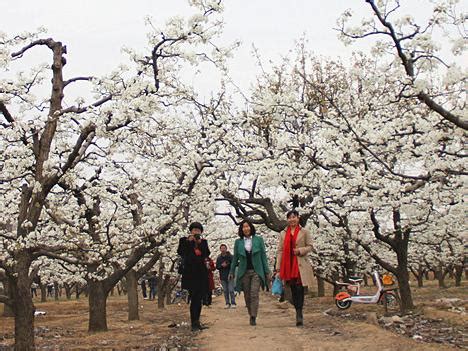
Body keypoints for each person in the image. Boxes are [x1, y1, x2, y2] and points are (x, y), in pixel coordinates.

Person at [275, 210, 315, 327]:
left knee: (299, 289)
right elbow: (280, 250)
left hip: (299, 263)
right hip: (287, 264)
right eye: (290, 218)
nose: (292, 219)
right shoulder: (283, 233)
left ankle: (299, 313)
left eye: (294, 217)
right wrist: (278, 267)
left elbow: (310, 246)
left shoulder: (304, 231)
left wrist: (300, 250)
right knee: (291, 289)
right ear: (287, 220)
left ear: (298, 218)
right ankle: (297, 306)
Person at [229, 220, 270, 326]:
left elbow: (263, 257)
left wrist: (267, 271)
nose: (246, 229)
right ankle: (250, 313)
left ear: (251, 228)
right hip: (244, 272)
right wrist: (232, 271)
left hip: (256, 271)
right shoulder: (238, 242)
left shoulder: (258, 240)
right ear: (241, 229)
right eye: (243, 227)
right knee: (247, 295)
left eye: (247, 226)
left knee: (254, 294)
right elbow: (235, 259)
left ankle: (253, 316)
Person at [177, 222, 210, 331]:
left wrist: (200, 243)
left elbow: (206, 254)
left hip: (201, 273)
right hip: (190, 274)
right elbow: (180, 252)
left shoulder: (204, 242)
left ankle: (197, 322)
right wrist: (189, 242)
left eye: (198, 230)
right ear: (191, 231)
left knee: (199, 298)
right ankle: (193, 323)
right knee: (193, 297)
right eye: (194, 229)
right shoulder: (184, 240)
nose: (196, 232)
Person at [216, 244, 236, 308]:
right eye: (222, 248)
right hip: (222, 276)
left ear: (226, 249)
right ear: (220, 249)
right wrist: (222, 265)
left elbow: (234, 264)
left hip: (230, 275)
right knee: (225, 290)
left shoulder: (230, 256)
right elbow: (217, 267)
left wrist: (228, 264)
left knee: (231, 290)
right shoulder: (219, 258)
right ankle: (227, 303)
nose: (223, 249)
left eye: (224, 248)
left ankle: (233, 303)